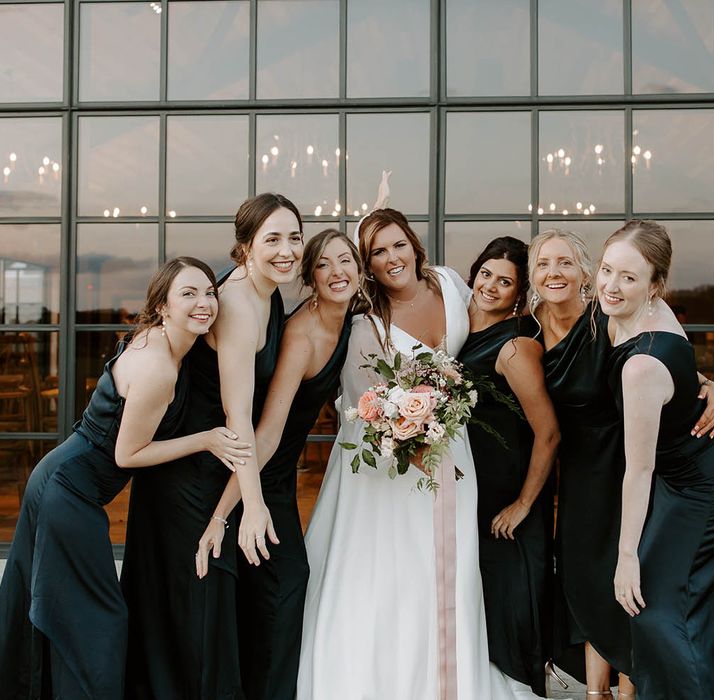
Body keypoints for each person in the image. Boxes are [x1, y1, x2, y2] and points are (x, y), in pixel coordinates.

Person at [0, 257, 247, 699]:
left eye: (209, 292)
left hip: (59, 479)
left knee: (65, 612)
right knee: (94, 619)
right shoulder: (158, 367)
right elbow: (128, 454)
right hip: (68, 491)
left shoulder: (163, 342)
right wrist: (206, 438)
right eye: (187, 294)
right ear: (163, 306)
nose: (203, 302)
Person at [297, 208, 494, 699]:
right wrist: (413, 434)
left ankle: (452, 676)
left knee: (455, 571)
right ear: (367, 264)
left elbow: (497, 328)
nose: (391, 258)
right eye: (377, 252)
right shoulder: (368, 324)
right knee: (400, 576)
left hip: (455, 451)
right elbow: (364, 411)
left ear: (413, 244)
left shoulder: (451, 286)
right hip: (397, 467)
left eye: (397, 245)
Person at [121, 194, 303, 699]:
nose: (286, 250)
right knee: (202, 610)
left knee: (221, 608)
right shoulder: (240, 306)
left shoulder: (271, 293)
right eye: (272, 239)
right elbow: (237, 415)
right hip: (190, 476)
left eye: (294, 237)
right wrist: (251, 505)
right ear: (244, 247)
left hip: (220, 463)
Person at [528, 229, 714, 698]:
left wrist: (708, 385)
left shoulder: (606, 312)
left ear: (582, 273)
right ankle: (596, 693)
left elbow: (654, 359)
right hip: (580, 472)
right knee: (587, 580)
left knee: (632, 583)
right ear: (532, 276)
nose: (554, 273)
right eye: (542, 264)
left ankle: (631, 690)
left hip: (629, 461)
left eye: (565, 263)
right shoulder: (526, 329)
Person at [195, 229, 369, 700]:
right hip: (258, 473)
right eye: (324, 265)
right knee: (286, 585)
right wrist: (227, 510)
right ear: (310, 277)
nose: (338, 272)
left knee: (271, 592)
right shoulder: (303, 333)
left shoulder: (352, 317)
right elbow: (266, 432)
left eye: (346, 261)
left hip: (280, 476)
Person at [599, 219, 714, 699]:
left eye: (628, 278)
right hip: (697, 464)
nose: (611, 286)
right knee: (697, 602)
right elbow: (688, 375)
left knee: (654, 610)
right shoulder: (633, 312)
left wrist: (627, 556)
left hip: (710, 479)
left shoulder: (641, 365)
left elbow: (639, 469)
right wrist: (707, 386)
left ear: (655, 286)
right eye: (607, 270)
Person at [459, 237, 560, 697]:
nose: (491, 287)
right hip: (470, 497)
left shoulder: (516, 346)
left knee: (511, 611)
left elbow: (549, 433)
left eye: (505, 282)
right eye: (486, 274)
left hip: (509, 504)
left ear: (519, 293)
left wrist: (523, 504)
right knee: (479, 611)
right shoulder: (458, 325)